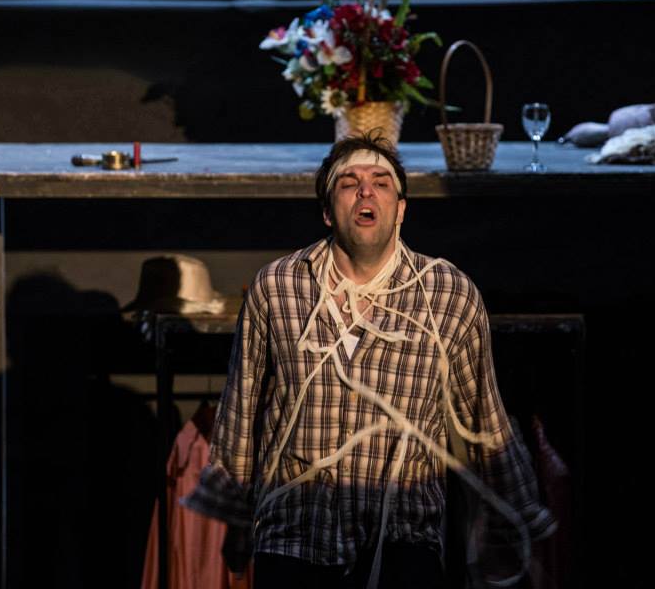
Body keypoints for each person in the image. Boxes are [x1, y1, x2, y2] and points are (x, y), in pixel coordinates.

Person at [183, 133, 554, 589]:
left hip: (402, 539)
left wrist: (518, 520)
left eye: (381, 182)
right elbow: (242, 409)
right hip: (296, 535)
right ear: (327, 210)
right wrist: (235, 521)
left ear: (400, 210)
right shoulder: (277, 287)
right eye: (349, 183)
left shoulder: (447, 295)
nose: (365, 191)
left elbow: (484, 420)